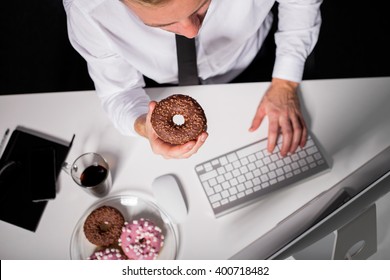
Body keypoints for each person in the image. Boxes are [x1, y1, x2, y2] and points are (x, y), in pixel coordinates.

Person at [63, 0, 322, 159]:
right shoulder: (88, 9)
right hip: (161, 88)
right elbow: (118, 92)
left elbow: (300, 3)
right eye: (163, 24)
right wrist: (145, 126)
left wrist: (285, 82)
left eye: (202, 6)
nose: (191, 31)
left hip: (254, 62)